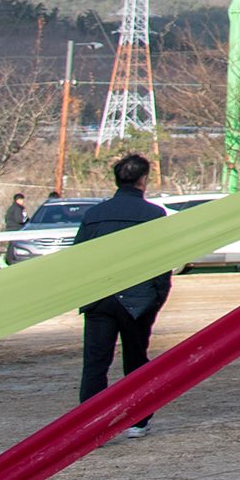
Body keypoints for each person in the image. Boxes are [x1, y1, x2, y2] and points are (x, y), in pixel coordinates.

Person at [70, 153, 171, 434]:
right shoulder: (154, 215)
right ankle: (138, 420)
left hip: (99, 298)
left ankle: (90, 427)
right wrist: (157, 296)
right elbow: (162, 263)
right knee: (137, 361)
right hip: (139, 299)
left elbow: (76, 259)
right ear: (143, 180)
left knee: (95, 364)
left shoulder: (94, 215)